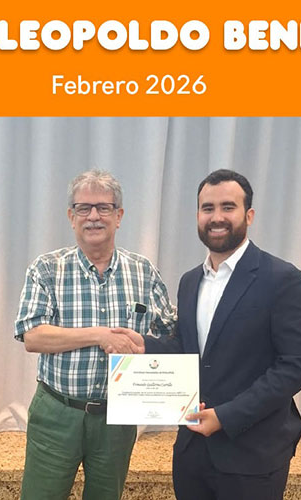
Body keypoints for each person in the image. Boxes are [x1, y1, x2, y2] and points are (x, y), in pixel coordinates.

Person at [115, 169, 301, 500]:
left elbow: (297, 364)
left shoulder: (283, 279)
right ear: (198, 216)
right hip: (192, 451)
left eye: (228, 207)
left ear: (249, 215)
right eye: (207, 208)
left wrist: (226, 416)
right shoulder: (190, 281)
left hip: (253, 454)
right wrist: (144, 346)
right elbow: (189, 349)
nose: (217, 217)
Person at [15, 169, 177, 500]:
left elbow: (171, 335)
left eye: (103, 207)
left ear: (119, 216)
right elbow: (33, 336)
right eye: (83, 208)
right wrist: (99, 335)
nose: (93, 216)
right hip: (57, 412)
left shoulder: (143, 271)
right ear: (71, 216)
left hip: (117, 418)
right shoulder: (47, 268)